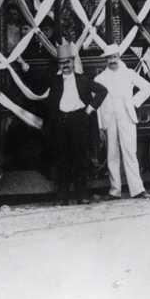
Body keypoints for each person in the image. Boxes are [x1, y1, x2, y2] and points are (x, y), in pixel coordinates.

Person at [44, 42, 108, 205]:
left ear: (73, 62)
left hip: (79, 121)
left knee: (80, 159)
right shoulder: (55, 81)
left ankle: (82, 195)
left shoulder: (83, 79)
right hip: (61, 123)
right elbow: (50, 102)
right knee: (62, 160)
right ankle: (62, 197)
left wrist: (90, 109)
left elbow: (102, 91)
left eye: (67, 62)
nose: (65, 66)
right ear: (59, 65)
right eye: (61, 63)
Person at [95, 43, 150, 199]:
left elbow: (148, 87)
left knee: (130, 153)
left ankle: (137, 189)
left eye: (114, 57)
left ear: (119, 57)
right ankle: (115, 191)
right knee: (112, 155)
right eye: (109, 58)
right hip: (109, 118)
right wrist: (100, 125)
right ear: (105, 60)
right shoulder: (100, 78)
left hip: (126, 116)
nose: (112, 60)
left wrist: (134, 102)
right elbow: (97, 105)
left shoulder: (128, 73)